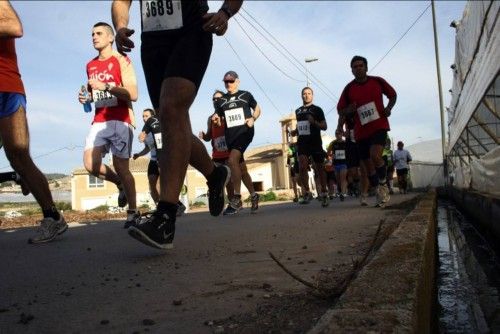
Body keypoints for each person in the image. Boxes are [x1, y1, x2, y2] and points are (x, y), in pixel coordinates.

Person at [112, 0, 242, 249]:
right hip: (153, 40)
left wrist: (226, 12)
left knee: (171, 109)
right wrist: (120, 26)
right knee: (172, 121)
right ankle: (215, 174)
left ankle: (165, 218)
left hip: (193, 29)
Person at [0, 0, 67, 244]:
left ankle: (52, 216)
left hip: (6, 87)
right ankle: (18, 177)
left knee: (18, 155)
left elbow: (15, 27)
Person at [77, 22, 140, 228]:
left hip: (121, 119)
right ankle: (119, 183)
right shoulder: (90, 65)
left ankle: (133, 212)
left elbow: (133, 94)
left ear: (111, 38)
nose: (94, 37)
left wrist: (106, 86)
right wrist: (85, 98)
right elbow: (93, 96)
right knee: (89, 163)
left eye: (99, 33)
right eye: (92, 34)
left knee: (123, 167)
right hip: (100, 119)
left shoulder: (122, 60)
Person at [337, 55, 397, 208]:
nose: (358, 68)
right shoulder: (349, 88)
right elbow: (340, 110)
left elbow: (392, 95)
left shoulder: (377, 81)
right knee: (368, 166)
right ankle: (379, 191)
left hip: (379, 126)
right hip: (361, 132)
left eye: (361, 65)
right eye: (355, 66)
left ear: (366, 67)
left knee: (375, 155)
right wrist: (348, 110)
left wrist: (388, 108)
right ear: (351, 70)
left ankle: (383, 185)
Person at [199, 90, 255, 215]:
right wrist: (204, 136)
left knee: (243, 173)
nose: (216, 101)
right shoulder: (210, 118)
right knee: (223, 180)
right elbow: (210, 136)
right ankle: (233, 203)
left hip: (232, 150)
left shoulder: (229, 114)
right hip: (217, 154)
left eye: (218, 99)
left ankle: (253, 195)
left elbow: (235, 130)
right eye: (214, 99)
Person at [213, 71, 261, 215]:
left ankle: (237, 197)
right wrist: (216, 119)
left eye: (231, 81)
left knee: (231, 160)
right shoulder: (221, 101)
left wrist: (253, 119)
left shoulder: (245, 95)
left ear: (237, 82)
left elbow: (258, 109)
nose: (228, 84)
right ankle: (254, 195)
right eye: (226, 82)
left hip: (245, 133)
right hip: (231, 138)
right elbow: (219, 118)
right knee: (241, 168)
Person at [134, 108, 186, 217]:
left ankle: (177, 204)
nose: (144, 118)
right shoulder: (146, 133)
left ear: (153, 117)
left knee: (162, 184)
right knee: (152, 183)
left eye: (146, 116)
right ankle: (159, 207)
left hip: (163, 159)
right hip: (153, 159)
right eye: (143, 116)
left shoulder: (160, 126)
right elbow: (148, 148)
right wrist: (139, 154)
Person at [289, 87, 328, 207]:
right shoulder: (298, 111)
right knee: (301, 166)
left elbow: (324, 126)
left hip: (315, 141)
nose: (306, 96)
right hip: (302, 142)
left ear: (312, 95)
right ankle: (307, 192)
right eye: (304, 94)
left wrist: (314, 123)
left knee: (319, 168)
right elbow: (301, 127)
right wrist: (295, 132)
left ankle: (324, 193)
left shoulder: (317, 110)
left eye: (309, 93)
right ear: (301, 96)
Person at [328, 129, 348, 201]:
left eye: (339, 133)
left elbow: (349, 153)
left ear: (342, 134)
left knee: (343, 178)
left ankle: (342, 193)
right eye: (336, 134)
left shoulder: (345, 143)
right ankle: (340, 189)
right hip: (336, 164)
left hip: (344, 163)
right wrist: (331, 155)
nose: (337, 135)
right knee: (338, 179)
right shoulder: (333, 143)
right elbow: (328, 152)